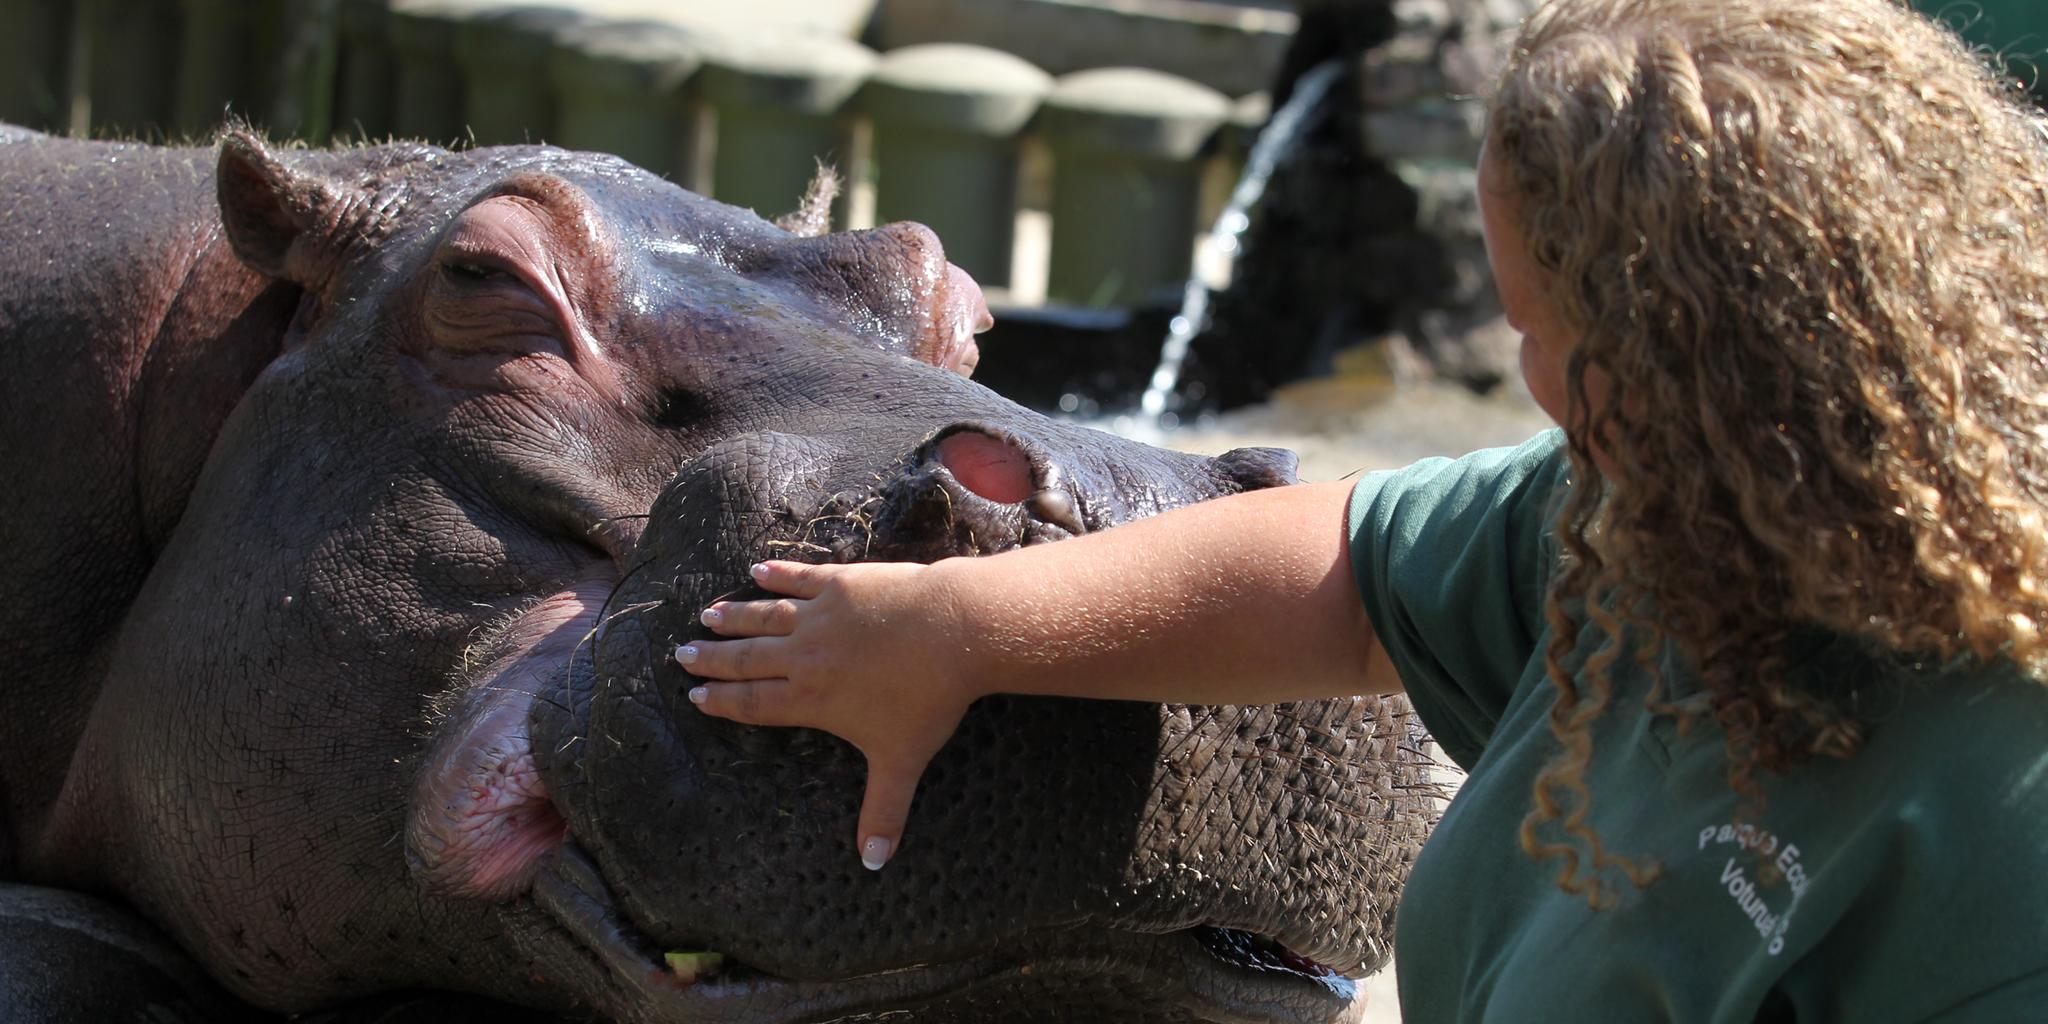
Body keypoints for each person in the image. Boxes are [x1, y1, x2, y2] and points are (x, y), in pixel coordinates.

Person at [675, 0, 2048, 1016]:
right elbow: (1346, 566)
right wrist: (959, 625)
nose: (1524, 381)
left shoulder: (2000, 826)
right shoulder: (1666, 511)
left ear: (1673, 361)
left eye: (1532, 330)